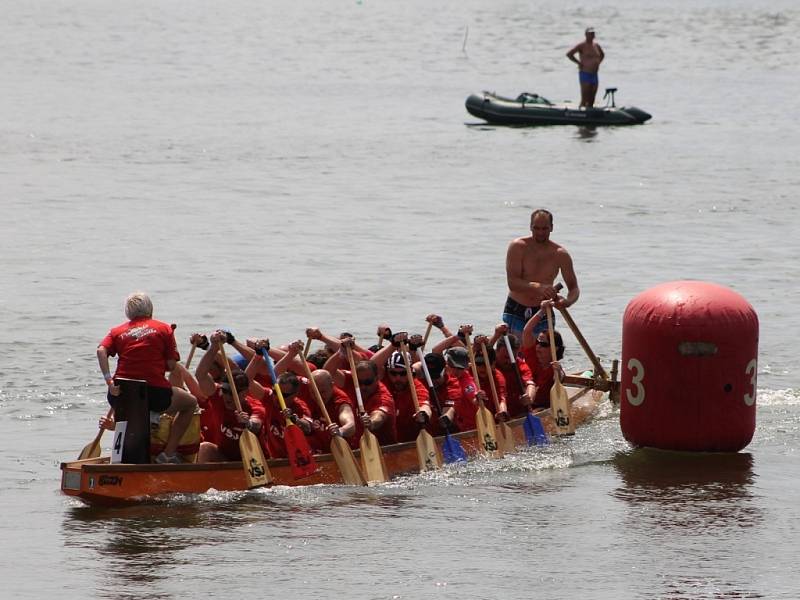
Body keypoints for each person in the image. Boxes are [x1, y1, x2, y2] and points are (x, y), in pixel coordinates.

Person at [97, 291, 199, 464]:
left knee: (131, 411)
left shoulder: (116, 331)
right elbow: (172, 366)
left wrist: (109, 381)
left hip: (119, 393)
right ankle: (167, 454)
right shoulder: (164, 328)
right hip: (154, 394)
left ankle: (122, 457)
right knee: (190, 403)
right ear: (150, 309)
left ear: (128, 312)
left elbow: (101, 351)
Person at [503, 209, 579, 338]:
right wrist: (538, 287)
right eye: (536, 228)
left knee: (544, 355)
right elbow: (513, 283)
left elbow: (574, 288)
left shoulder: (560, 254)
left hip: (543, 311)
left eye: (545, 229)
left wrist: (567, 302)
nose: (540, 233)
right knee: (513, 355)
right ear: (530, 227)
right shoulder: (518, 247)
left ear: (551, 228)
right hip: (516, 309)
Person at [520, 301, 566, 409]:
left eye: (543, 344)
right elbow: (526, 331)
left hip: (544, 407)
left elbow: (560, 378)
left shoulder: (555, 368)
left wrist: (558, 372)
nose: (538, 347)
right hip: (525, 405)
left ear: (555, 349)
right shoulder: (532, 356)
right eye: (537, 342)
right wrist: (542, 311)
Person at [566, 27, 605, 108]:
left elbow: (602, 55)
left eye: (593, 33)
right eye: (590, 33)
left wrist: (598, 63)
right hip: (585, 73)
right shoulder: (582, 45)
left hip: (594, 74)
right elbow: (569, 54)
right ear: (586, 35)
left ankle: (590, 114)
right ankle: (580, 113)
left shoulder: (596, 45)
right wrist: (578, 63)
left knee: (592, 98)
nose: (591, 35)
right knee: (585, 97)